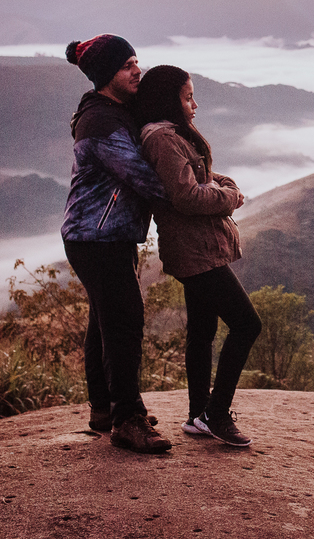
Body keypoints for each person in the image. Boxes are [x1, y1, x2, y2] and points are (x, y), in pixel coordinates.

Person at [133, 65, 262, 447]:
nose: (195, 104)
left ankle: (197, 415)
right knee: (247, 325)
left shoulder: (172, 136)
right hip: (195, 250)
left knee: (202, 332)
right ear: (168, 99)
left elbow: (201, 174)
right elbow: (186, 196)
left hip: (197, 248)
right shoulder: (162, 139)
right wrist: (229, 197)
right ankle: (216, 414)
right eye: (188, 97)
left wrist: (225, 186)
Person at [61, 34, 172, 454]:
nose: (136, 71)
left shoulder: (109, 112)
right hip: (97, 237)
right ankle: (128, 418)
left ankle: (105, 410)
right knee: (124, 320)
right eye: (127, 65)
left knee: (105, 321)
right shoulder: (102, 124)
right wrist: (199, 189)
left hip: (100, 235)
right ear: (107, 74)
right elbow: (145, 178)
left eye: (136, 62)